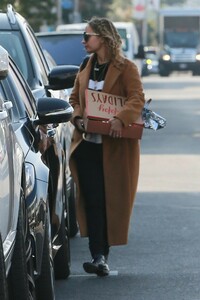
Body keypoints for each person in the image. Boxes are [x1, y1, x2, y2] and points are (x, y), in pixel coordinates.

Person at [69, 16, 145, 277]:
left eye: (87, 36)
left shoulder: (126, 68)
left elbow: (137, 98)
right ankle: (98, 256)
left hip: (115, 148)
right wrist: (77, 117)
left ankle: (103, 254)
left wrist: (120, 118)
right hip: (88, 145)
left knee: (109, 200)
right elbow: (73, 98)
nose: (83, 41)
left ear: (102, 38)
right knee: (93, 200)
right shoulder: (85, 66)